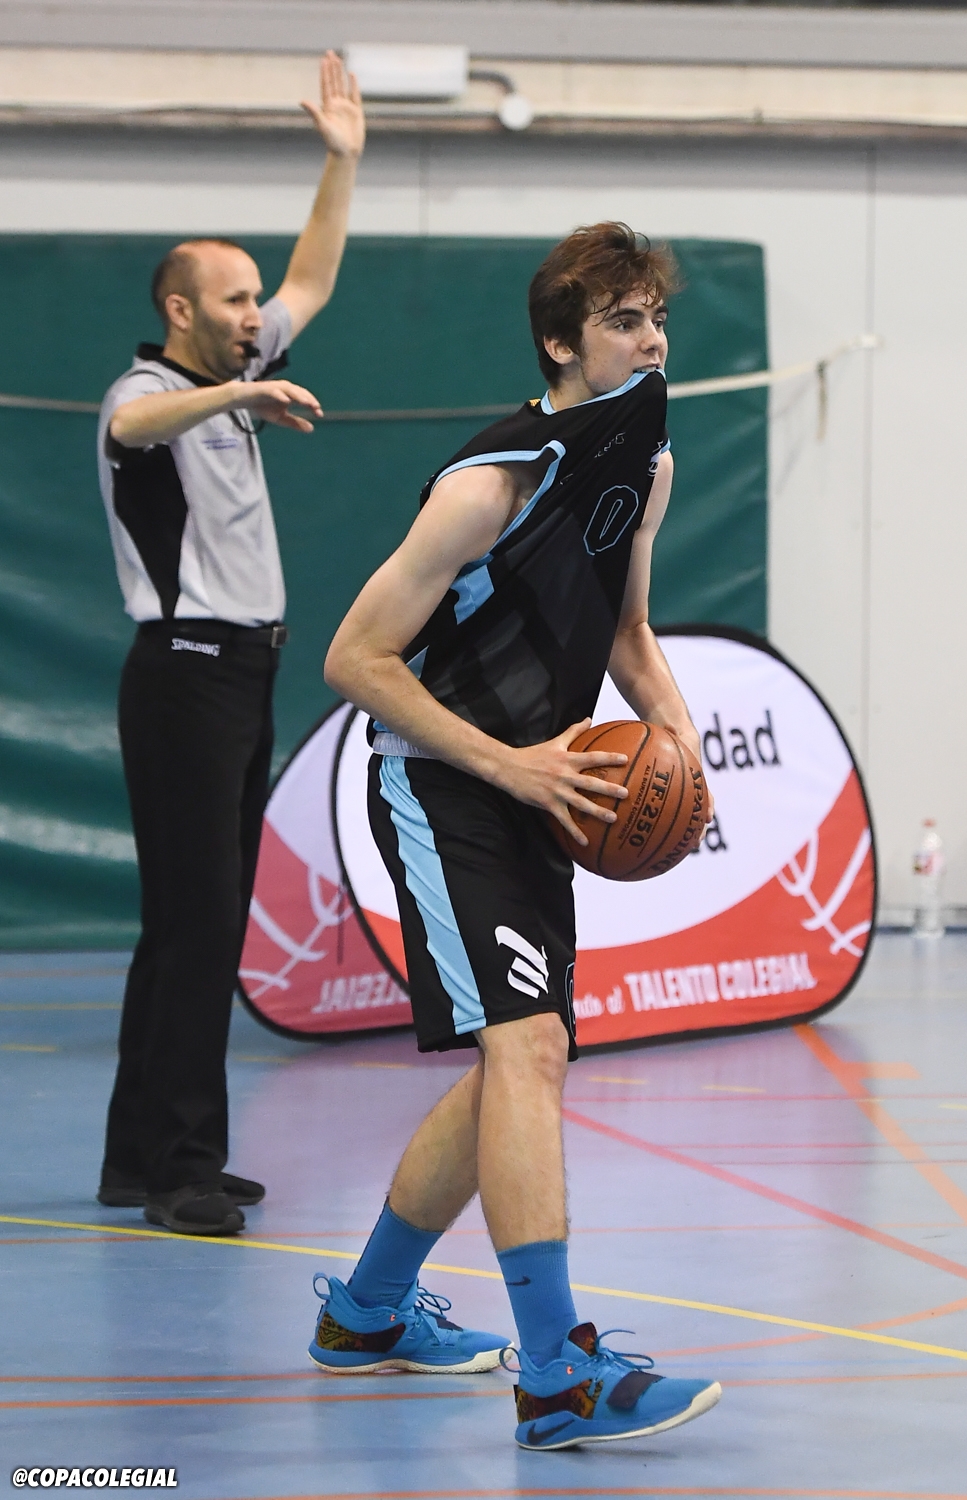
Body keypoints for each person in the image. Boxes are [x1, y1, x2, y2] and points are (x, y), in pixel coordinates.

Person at [314, 222, 721, 1450]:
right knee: (529, 1049)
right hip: (443, 780)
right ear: (558, 343)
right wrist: (510, 766)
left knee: (516, 1061)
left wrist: (680, 742)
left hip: (548, 784)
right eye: (621, 322)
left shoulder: (641, 463)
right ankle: (553, 1375)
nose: (649, 342)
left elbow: (626, 630)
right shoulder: (489, 482)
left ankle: (369, 1312)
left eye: (656, 319)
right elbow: (354, 660)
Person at [95, 54, 365, 1237]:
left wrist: (340, 162)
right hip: (183, 678)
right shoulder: (144, 395)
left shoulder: (239, 364)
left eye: (255, 301)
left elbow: (315, 273)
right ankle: (183, 1172)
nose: (258, 315)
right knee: (201, 930)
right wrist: (235, 399)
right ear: (180, 310)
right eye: (236, 300)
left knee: (185, 927)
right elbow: (140, 421)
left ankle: (134, 1158)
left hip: (244, 676)